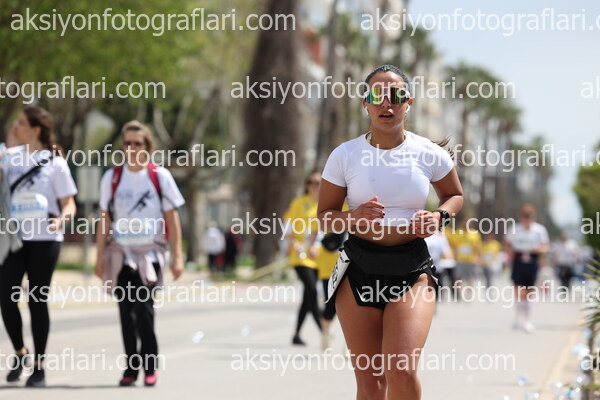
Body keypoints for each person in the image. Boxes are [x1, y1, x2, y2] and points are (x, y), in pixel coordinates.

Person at [318, 65, 463, 399]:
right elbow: (325, 218)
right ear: (365, 103)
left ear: (408, 103)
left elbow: (454, 196)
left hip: (411, 268)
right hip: (359, 268)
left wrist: (438, 216)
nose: (387, 102)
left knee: (401, 369)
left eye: (396, 95)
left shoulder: (428, 152)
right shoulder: (345, 155)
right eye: (377, 95)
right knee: (371, 384)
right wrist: (352, 217)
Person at [95, 120, 185, 386]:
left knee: (144, 310)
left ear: (147, 146)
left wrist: (178, 256)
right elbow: (104, 218)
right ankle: (131, 368)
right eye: (128, 143)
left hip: (150, 255)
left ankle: (150, 365)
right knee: (126, 312)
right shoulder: (112, 177)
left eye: (138, 143)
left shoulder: (159, 176)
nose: (132, 148)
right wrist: (99, 257)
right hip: (120, 254)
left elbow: (173, 219)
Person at [0, 107, 77, 387]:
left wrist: (62, 219)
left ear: (36, 129)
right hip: (15, 239)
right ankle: (21, 352)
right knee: (5, 296)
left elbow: (69, 203)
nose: (15, 127)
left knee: (36, 299)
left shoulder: (55, 164)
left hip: (45, 239)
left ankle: (39, 366)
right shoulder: (9, 158)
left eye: (21, 123)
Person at [283, 172, 322, 346]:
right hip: (300, 257)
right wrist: (294, 243)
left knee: (308, 296)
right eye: (311, 182)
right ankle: (324, 329)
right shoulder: (298, 203)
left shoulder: (324, 205)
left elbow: (324, 231)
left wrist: (317, 246)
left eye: (318, 182)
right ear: (307, 185)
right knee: (312, 290)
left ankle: (296, 334)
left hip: (318, 258)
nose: (315, 186)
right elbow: (287, 227)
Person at [504, 203, 549, 333]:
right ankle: (518, 317)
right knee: (518, 290)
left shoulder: (539, 230)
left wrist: (540, 249)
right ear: (521, 216)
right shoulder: (515, 229)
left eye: (530, 215)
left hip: (532, 262)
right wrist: (510, 253)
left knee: (529, 292)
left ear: (534, 216)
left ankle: (526, 320)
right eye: (525, 215)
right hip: (518, 261)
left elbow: (545, 246)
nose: (527, 218)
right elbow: (507, 243)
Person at [446, 218, 482, 295]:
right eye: (464, 223)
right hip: (460, 259)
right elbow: (453, 244)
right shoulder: (458, 232)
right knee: (457, 276)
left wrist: (477, 258)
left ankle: (469, 291)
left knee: (470, 277)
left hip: (470, 259)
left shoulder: (475, 234)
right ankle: (457, 292)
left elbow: (478, 247)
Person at [424, 229, 455, 301]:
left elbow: (446, 251)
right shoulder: (422, 235)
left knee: (436, 284)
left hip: (436, 266)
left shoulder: (440, 237)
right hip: (425, 266)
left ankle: (436, 300)